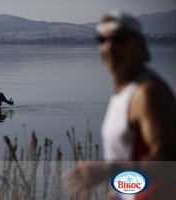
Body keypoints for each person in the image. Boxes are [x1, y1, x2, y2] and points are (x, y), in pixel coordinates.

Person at [64, 10, 176, 199]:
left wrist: (107, 170)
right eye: (102, 40)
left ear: (139, 45)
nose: (109, 47)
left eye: (119, 39)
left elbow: (168, 164)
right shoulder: (124, 93)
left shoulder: (147, 93)